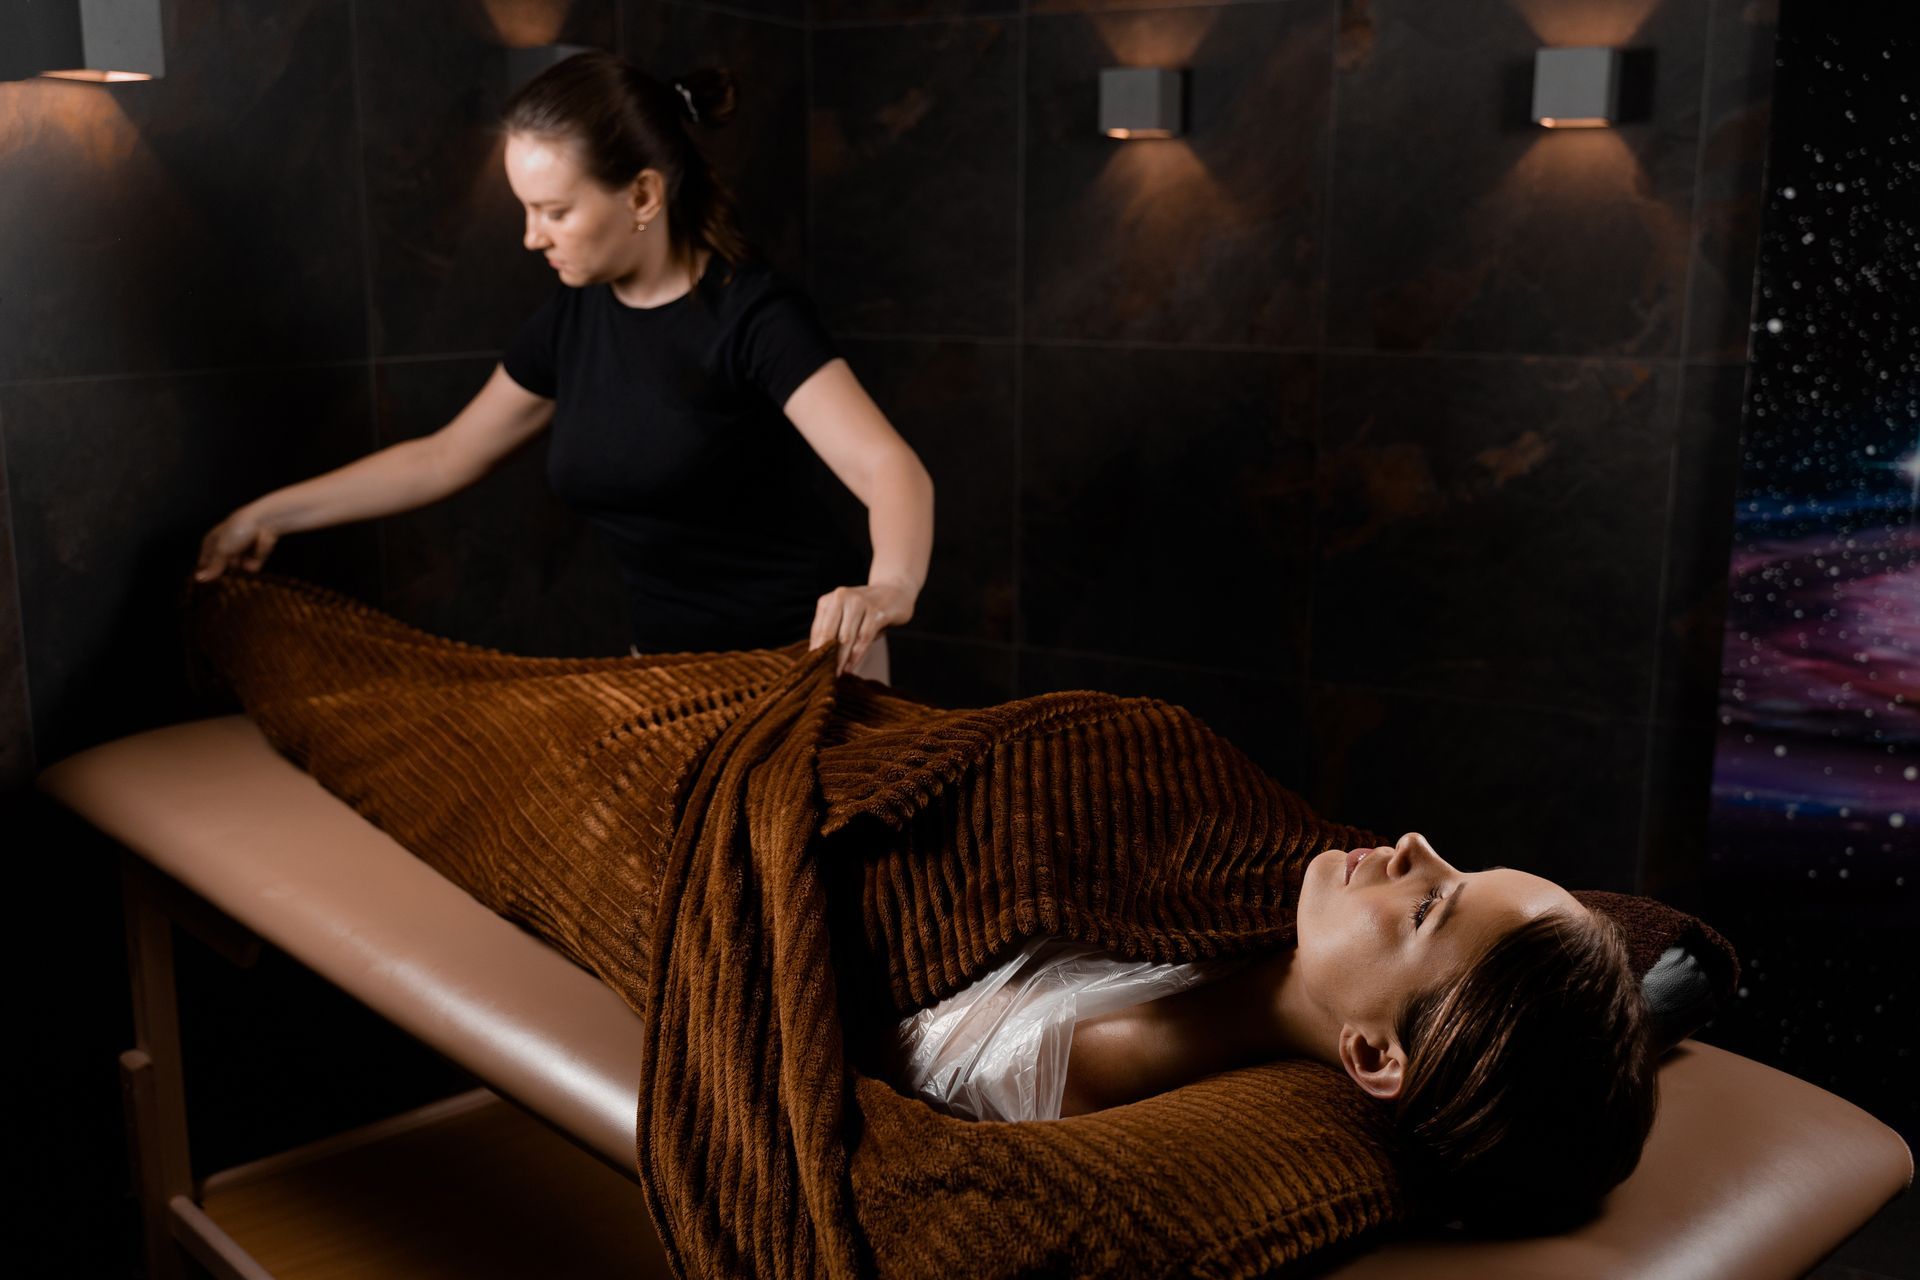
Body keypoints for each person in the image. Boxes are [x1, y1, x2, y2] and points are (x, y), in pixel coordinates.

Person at [195, 51, 933, 681]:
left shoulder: (751, 315)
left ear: (643, 193)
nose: (530, 238)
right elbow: (444, 457)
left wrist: (890, 585)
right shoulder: (570, 320)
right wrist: (265, 516)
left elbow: (886, 466)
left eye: (553, 211)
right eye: (525, 210)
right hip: (662, 672)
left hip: (806, 668)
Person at [885, 830, 1656, 1233]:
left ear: (1376, 1054)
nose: (1416, 847)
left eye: (1430, 907)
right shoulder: (1261, 904)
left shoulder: (1081, 1057)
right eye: (1464, 866)